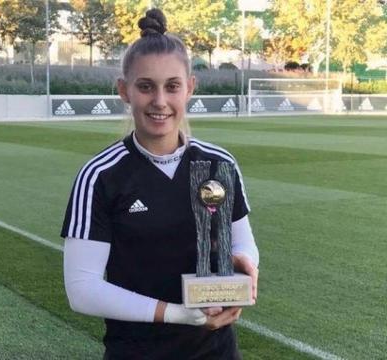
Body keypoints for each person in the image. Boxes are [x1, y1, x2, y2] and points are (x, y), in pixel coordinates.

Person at [61, 8, 259, 359]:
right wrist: (178, 313)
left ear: (190, 89)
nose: (160, 101)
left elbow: (244, 244)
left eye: (172, 86)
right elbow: (82, 289)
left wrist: (243, 268)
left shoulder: (219, 164)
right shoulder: (101, 176)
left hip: (216, 351)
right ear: (124, 90)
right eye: (145, 87)